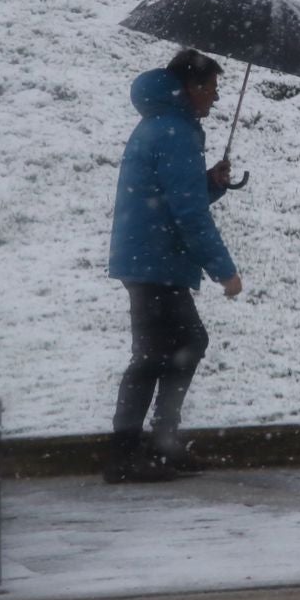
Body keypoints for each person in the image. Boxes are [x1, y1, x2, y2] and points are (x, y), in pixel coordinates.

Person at [104, 47, 243, 484]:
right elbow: (189, 214)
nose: (216, 98)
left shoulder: (162, 124)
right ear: (192, 88)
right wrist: (224, 270)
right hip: (155, 259)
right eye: (212, 89)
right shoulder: (176, 133)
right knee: (156, 354)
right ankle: (128, 454)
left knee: (179, 345)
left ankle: (157, 444)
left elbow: (177, 196)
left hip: (149, 256)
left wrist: (209, 183)